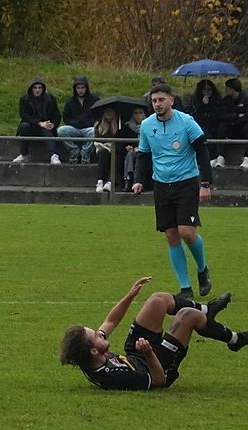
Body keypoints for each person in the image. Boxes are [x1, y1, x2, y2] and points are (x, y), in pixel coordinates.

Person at [59, 276, 248, 391]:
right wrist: (149, 353)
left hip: (135, 353)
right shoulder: (113, 377)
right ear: (93, 351)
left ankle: (207, 311)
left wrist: (130, 296)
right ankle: (236, 340)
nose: (100, 333)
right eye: (96, 335)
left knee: (158, 300)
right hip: (158, 366)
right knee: (187, 315)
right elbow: (158, 381)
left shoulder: (93, 353)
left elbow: (111, 321)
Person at [132, 83, 214, 299]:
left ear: (171, 100)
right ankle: (185, 288)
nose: (157, 104)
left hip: (186, 183)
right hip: (161, 185)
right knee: (171, 235)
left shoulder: (186, 122)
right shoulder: (147, 125)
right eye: (154, 101)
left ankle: (202, 269)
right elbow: (143, 155)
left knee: (187, 232)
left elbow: (202, 151)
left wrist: (205, 184)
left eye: (161, 100)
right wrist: (138, 181)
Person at [210, 78, 248, 170]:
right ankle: (220, 156)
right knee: (222, 125)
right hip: (233, 128)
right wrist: (237, 116)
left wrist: (235, 120)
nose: (225, 90)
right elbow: (221, 116)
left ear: (232, 89)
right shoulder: (226, 100)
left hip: (247, 129)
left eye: (226, 88)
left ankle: (247, 158)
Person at [13, 76, 61, 165]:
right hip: (31, 125)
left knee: (47, 130)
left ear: (43, 89)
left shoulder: (50, 99)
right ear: (31, 89)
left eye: (39, 88)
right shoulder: (24, 100)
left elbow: (56, 115)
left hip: (45, 125)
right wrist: (39, 123)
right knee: (24, 126)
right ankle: (24, 154)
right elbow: (25, 116)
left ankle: (53, 155)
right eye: (35, 88)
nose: (37, 90)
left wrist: (53, 124)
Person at [56, 76, 98, 164]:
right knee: (61, 130)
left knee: (95, 131)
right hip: (74, 128)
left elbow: (99, 114)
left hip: (88, 128)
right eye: (78, 88)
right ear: (75, 89)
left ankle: (85, 152)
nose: (80, 90)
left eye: (82, 88)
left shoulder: (94, 99)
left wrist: (90, 122)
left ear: (86, 88)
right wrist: (75, 123)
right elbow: (66, 117)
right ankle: (74, 151)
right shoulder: (70, 101)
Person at [93, 107, 125, 192]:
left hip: (116, 150)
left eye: (111, 111)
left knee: (116, 155)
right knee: (103, 153)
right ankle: (100, 181)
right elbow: (98, 139)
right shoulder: (99, 125)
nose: (108, 113)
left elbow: (121, 142)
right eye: (107, 111)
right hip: (103, 149)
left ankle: (110, 182)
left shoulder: (119, 125)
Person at [120, 106, 146, 191]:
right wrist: (128, 147)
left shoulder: (149, 126)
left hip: (146, 151)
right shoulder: (127, 127)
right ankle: (128, 179)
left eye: (140, 113)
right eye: (135, 113)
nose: (138, 115)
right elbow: (122, 142)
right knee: (130, 154)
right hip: (132, 152)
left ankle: (134, 180)